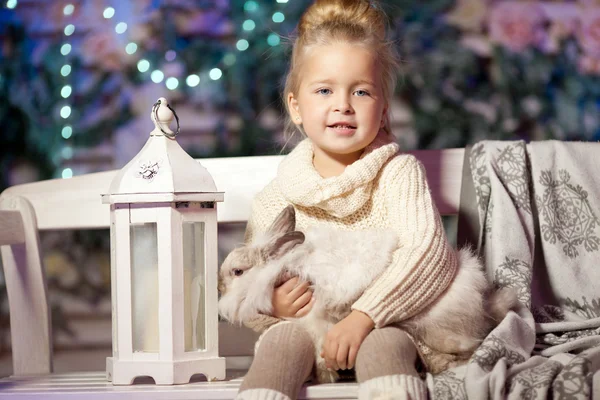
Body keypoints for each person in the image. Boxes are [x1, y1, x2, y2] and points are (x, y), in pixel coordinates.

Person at [235, 0, 458, 399]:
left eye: (361, 91)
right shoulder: (277, 198)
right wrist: (271, 303)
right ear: (296, 107)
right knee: (279, 344)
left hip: (388, 324)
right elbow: (246, 279)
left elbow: (428, 253)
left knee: (385, 345)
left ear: (383, 109)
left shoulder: (397, 174)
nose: (343, 105)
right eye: (324, 90)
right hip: (309, 335)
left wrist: (364, 317)